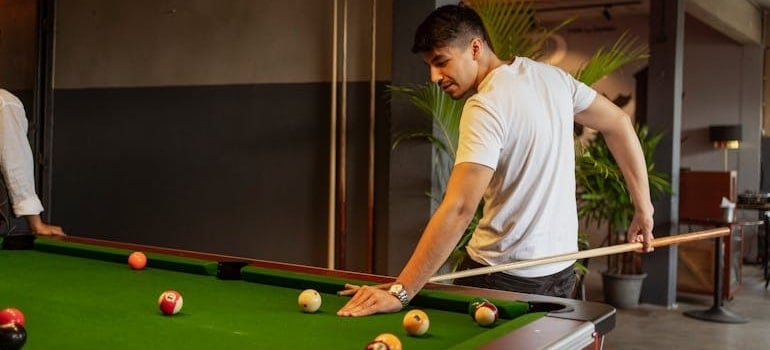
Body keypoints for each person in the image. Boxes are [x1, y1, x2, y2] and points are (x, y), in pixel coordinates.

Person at [337, 4, 654, 317]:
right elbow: (620, 124)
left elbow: (460, 209)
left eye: (441, 61)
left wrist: (401, 292)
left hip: (500, 279)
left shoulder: (485, 105)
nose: (434, 76)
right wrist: (644, 207)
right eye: (429, 65)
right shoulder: (552, 78)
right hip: (561, 275)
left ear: (475, 48)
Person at [0, 88, 64, 236]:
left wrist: (35, 222)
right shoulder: (4, 102)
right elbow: (15, 161)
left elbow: (13, 160)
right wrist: (36, 224)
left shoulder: (4, 103)